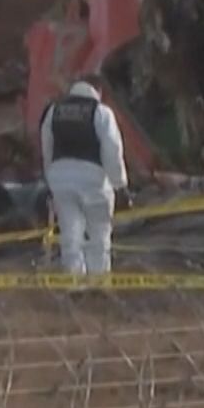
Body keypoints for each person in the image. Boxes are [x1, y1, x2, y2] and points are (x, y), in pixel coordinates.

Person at [39, 80, 128, 278]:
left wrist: (50, 179)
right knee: (99, 233)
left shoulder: (54, 111)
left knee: (70, 234)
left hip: (60, 179)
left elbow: (47, 147)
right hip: (93, 180)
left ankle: (73, 282)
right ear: (99, 91)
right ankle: (98, 281)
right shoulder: (101, 112)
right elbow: (112, 150)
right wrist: (120, 185)